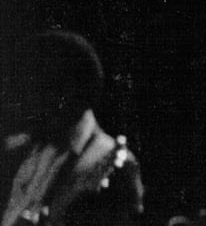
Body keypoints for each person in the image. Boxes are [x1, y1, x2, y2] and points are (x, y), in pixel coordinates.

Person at [1, 30, 144, 226]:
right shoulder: (27, 149)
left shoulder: (114, 163)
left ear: (74, 88)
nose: (31, 98)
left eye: (45, 85)